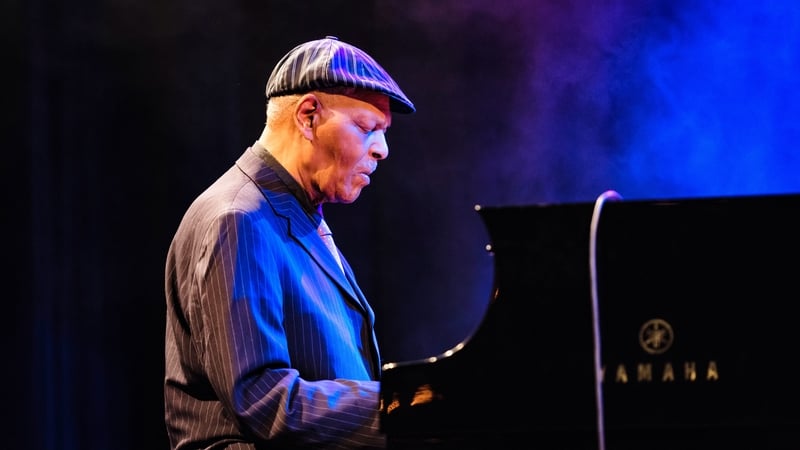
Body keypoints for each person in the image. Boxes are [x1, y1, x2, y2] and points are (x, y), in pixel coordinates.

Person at [164, 36, 415, 450]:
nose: (383, 150)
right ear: (309, 116)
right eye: (368, 128)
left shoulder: (296, 214)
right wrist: (404, 406)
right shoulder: (238, 219)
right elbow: (262, 399)